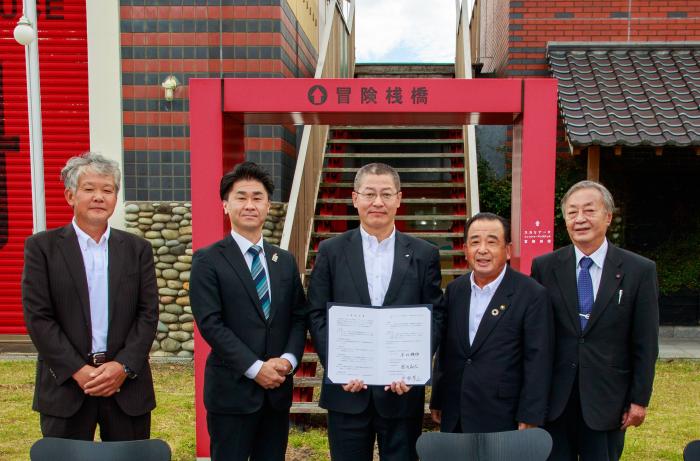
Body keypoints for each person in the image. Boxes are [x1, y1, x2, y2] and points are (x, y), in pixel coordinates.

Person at [307, 163, 443, 461]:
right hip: (347, 392)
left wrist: (414, 368)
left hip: (401, 392)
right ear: (355, 198)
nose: (377, 202)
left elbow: (434, 315)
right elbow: (317, 313)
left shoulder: (423, 253)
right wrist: (339, 366)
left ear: (399, 199)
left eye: (385, 194)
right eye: (369, 194)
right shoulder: (330, 250)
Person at [22, 152, 158, 440]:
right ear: (70, 196)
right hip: (66, 386)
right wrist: (77, 370)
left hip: (125, 386)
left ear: (115, 197)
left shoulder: (137, 250)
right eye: (89, 189)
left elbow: (148, 314)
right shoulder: (42, 248)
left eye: (107, 190)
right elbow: (39, 318)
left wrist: (123, 366)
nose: (99, 197)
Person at [530, 180, 659, 461]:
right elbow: (535, 336)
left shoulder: (639, 270)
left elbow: (645, 342)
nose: (580, 219)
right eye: (572, 212)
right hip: (555, 401)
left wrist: (639, 399)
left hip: (608, 399)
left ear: (608, 216)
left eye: (589, 210)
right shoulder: (545, 267)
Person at [189, 161, 306, 461]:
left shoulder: (284, 260)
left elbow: (297, 316)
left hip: (276, 393)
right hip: (232, 393)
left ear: (268, 206)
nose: (250, 205)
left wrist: (289, 360)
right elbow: (210, 324)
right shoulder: (208, 260)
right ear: (226, 205)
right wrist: (255, 368)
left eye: (258, 197)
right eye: (241, 197)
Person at [430, 212, 552, 433]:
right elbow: (446, 350)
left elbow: (538, 359)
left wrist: (531, 413)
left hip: (503, 413)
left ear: (507, 250)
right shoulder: (456, 290)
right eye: (475, 242)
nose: (483, 249)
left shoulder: (531, 294)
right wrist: (438, 397)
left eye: (492, 242)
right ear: (466, 250)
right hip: (456, 409)